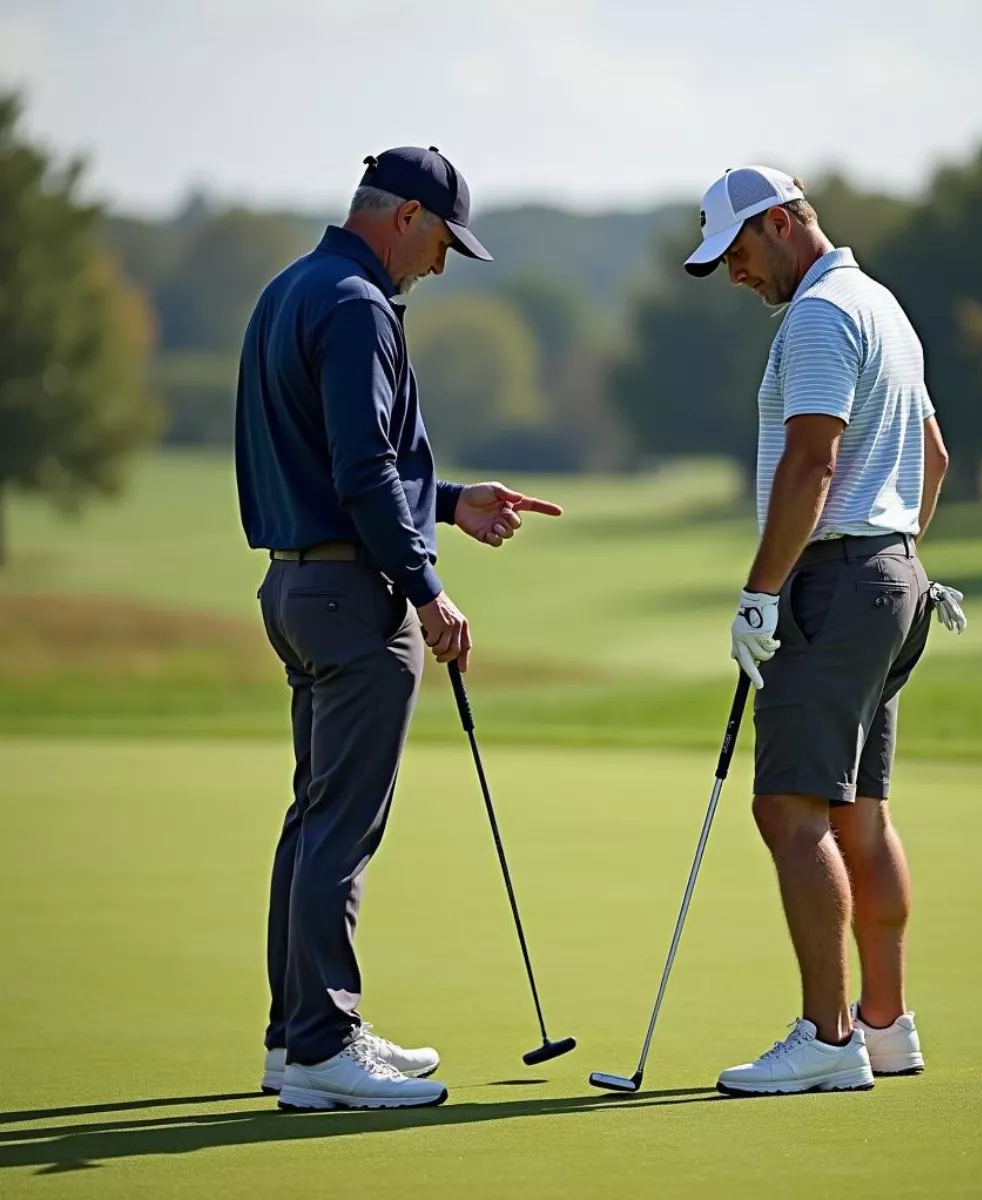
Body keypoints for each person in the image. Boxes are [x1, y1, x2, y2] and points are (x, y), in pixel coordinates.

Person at [235, 146, 561, 1111]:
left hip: (295, 590)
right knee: (340, 826)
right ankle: (327, 1049)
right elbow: (364, 470)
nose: (444, 264)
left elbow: (346, 462)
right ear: (405, 217)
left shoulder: (295, 288)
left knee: (313, 819)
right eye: (444, 243)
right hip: (352, 602)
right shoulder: (359, 306)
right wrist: (427, 588)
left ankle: (295, 1040)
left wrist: (449, 500)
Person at [682, 166, 964, 1097]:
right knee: (858, 811)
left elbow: (812, 460)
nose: (732, 275)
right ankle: (886, 1027)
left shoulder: (814, 316)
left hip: (837, 582)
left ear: (776, 223)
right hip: (891, 580)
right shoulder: (883, 305)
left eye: (736, 251)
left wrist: (764, 591)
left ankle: (828, 1036)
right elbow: (932, 456)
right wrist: (898, 558)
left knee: (791, 811)